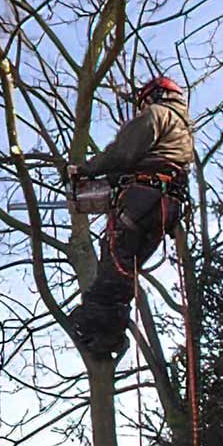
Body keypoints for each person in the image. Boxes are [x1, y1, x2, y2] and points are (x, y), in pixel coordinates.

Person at [68, 76, 194, 355]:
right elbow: (144, 163)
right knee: (125, 269)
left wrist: (86, 170)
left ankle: (98, 329)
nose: (142, 107)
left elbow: (123, 153)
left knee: (114, 259)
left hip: (143, 200)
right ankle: (110, 334)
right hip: (165, 208)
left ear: (156, 95)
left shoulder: (157, 115)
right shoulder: (183, 133)